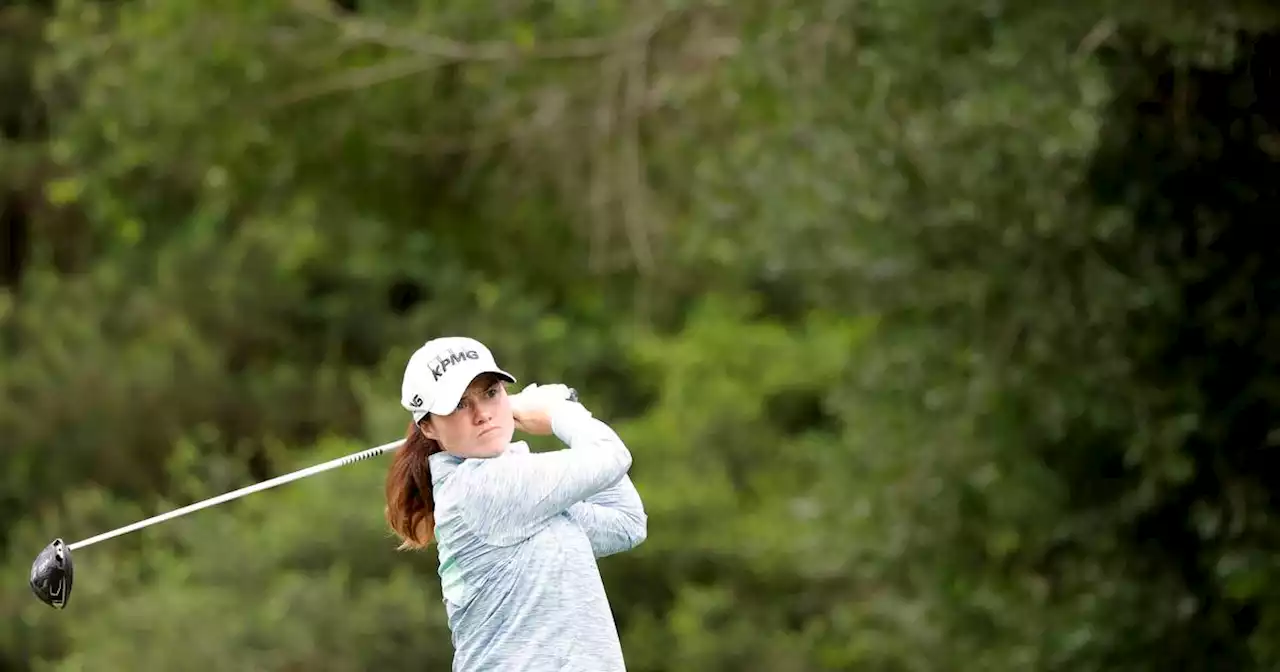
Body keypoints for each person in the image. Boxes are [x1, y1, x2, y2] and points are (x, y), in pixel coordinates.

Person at [384, 336, 647, 671]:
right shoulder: (482, 489)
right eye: (459, 405)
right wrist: (563, 411)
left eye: (491, 393)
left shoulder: (516, 492)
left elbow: (627, 524)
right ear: (429, 427)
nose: (482, 415)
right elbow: (611, 455)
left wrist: (563, 414)